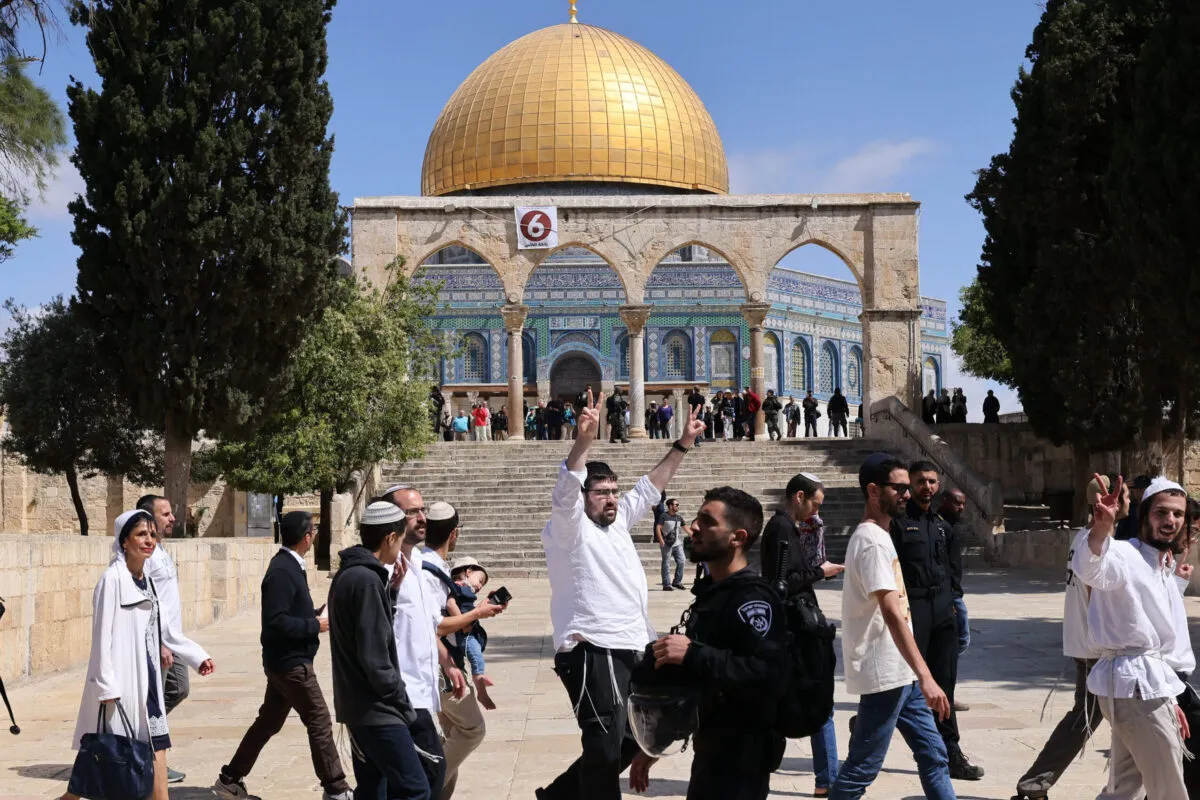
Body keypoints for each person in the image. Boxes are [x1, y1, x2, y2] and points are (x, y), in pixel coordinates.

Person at [536, 390, 705, 800]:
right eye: (601, 492)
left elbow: (650, 488)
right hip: (592, 646)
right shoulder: (568, 529)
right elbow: (566, 490)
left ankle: (558, 796)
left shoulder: (618, 522)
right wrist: (583, 441)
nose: (611, 499)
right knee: (603, 739)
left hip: (633, 642)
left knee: (642, 733)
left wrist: (683, 443)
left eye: (613, 491)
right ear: (584, 497)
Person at [628, 487, 789, 800]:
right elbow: (704, 680)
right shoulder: (714, 593)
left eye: (708, 521)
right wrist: (658, 742)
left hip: (743, 759)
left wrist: (693, 653)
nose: (696, 527)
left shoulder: (753, 599)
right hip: (713, 751)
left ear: (737, 537)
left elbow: (771, 675)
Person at [62, 510, 215, 800]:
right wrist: (106, 686)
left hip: (149, 682)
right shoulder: (112, 580)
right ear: (124, 542)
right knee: (116, 758)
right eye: (141, 535)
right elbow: (101, 638)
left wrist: (197, 656)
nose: (149, 541)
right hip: (123, 683)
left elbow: (166, 630)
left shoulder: (149, 581)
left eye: (152, 535)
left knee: (157, 746)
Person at [828, 454, 954, 800]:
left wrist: (917, 675)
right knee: (861, 769)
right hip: (885, 673)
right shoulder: (870, 540)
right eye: (898, 488)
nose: (908, 494)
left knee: (934, 755)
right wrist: (927, 676)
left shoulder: (880, 536)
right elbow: (891, 612)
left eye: (907, 487)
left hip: (901, 673)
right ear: (873, 490)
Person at [1070, 475, 1194, 800]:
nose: (1170, 521)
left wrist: (1167, 695)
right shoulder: (1124, 554)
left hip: (1147, 686)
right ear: (1144, 515)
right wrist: (1101, 529)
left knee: (1125, 788)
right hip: (1134, 686)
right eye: (1162, 513)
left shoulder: (1160, 564)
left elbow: (1157, 624)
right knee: (1169, 789)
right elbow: (1091, 567)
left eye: (1178, 514)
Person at [214, 512, 351, 800]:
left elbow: (290, 613)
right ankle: (336, 788)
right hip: (290, 664)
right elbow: (275, 622)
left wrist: (315, 614)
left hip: (284, 663)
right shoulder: (282, 571)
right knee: (319, 720)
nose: (313, 536)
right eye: (313, 531)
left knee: (269, 722)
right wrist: (316, 625)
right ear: (307, 537)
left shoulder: (290, 566)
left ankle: (230, 778)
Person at [1011, 474, 1126, 800]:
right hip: (1098, 649)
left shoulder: (1084, 537)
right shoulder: (1099, 542)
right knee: (1089, 718)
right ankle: (1033, 785)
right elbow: (1099, 595)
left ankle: (1035, 785)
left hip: (1088, 645)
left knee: (1100, 718)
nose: (1126, 499)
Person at [328, 501, 430, 800]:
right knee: (415, 789)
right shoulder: (366, 580)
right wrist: (401, 700)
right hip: (378, 710)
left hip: (358, 707)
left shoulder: (351, 575)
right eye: (399, 540)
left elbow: (370, 629)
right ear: (390, 538)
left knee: (374, 790)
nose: (400, 548)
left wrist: (393, 593)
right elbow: (375, 658)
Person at [892, 462, 983, 780]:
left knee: (944, 684)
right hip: (914, 610)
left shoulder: (944, 526)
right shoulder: (900, 524)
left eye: (931, 481)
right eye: (920, 482)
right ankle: (870, 723)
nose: (926, 487)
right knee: (905, 684)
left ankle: (950, 753)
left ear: (939, 484)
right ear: (911, 485)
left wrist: (954, 605)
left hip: (943, 610)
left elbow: (951, 569)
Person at [380, 486, 469, 800]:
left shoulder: (417, 562)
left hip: (423, 688)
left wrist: (448, 664)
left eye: (422, 510)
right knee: (429, 774)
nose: (422, 518)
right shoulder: (380, 571)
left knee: (409, 780)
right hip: (399, 694)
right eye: (411, 512)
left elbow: (430, 625)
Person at [761, 473, 844, 797]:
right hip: (796, 626)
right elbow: (786, 580)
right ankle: (828, 780)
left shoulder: (786, 527)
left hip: (792, 624)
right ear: (799, 496)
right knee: (819, 701)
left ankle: (826, 779)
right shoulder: (781, 527)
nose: (815, 511)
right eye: (814, 503)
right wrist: (821, 572)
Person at [419, 502, 505, 800]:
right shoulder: (428, 572)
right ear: (453, 534)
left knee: (451, 737)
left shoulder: (434, 568)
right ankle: (424, 788)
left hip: (443, 667)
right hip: (440, 668)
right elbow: (435, 628)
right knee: (472, 730)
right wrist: (477, 614)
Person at [137, 493, 212, 784]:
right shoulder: (143, 555)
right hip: (160, 644)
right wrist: (160, 643)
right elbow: (146, 603)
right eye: (165, 514)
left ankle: (142, 746)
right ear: (148, 518)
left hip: (173, 640)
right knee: (154, 702)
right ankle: (150, 759)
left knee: (178, 689)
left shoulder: (160, 551)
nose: (172, 519)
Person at [449, 557, 497, 710]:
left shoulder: (464, 589)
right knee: (476, 657)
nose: (480, 586)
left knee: (475, 655)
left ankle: (479, 677)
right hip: (464, 633)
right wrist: (462, 622)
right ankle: (481, 690)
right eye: (480, 580)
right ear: (468, 572)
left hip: (468, 631)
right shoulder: (458, 586)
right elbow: (450, 604)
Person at [936, 490, 972, 661]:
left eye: (963, 504)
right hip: (949, 592)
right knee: (963, 637)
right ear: (944, 501)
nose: (961, 507)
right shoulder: (940, 526)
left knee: (962, 635)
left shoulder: (949, 525)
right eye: (957, 503)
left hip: (954, 589)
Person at [656, 498, 687, 591]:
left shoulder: (679, 517)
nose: (678, 506)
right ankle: (666, 584)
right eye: (676, 505)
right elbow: (658, 528)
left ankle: (677, 582)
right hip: (666, 544)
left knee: (682, 561)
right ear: (670, 506)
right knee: (666, 563)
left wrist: (695, 536)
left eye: (678, 505)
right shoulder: (663, 516)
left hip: (677, 544)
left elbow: (687, 529)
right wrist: (661, 539)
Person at [1115, 474, 1152, 541]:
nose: (1138, 492)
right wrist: (1122, 491)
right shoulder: (1129, 508)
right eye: (1136, 489)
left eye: (1141, 489)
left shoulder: (1154, 509)